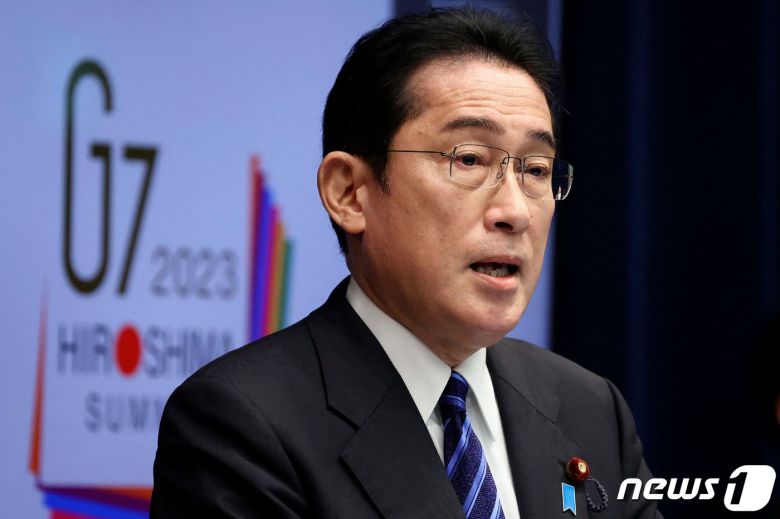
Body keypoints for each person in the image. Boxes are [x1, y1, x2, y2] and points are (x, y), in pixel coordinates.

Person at [151, 8, 662, 518]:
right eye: (469, 159)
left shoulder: (591, 411)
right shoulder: (242, 425)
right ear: (348, 192)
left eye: (535, 169)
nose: (515, 211)